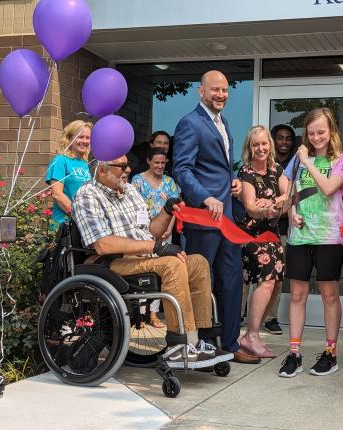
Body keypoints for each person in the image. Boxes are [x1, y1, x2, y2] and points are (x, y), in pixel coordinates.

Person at [72, 153, 233, 368]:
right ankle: (179, 345)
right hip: (110, 262)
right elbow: (103, 244)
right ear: (102, 170)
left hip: (143, 258)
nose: (128, 170)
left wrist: (167, 211)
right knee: (172, 263)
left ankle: (200, 339)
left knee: (198, 263)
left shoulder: (130, 191)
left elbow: (150, 232)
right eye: (122, 166)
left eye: (128, 164)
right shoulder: (87, 195)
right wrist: (157, 248)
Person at [173, 70, 259, 364]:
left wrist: (233, 181)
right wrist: (205, 197)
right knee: (201, 283)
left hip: (226, 220)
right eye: (215, 90)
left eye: (224, 90)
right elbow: (182, 170)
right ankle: (204, 345)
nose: (221, 95)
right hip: (203, 218)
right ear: (201, 92)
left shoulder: (224, 123)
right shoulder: (190, 123)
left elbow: (219, 168)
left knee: (232, 280)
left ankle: (231, 343)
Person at [278, 108, 343, 378]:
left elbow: (329, 188)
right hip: (300, 237)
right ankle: (294, 353)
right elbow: (286, 187)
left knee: (329, 295)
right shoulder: (297, 162)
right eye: (311, 133)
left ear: (331, 132)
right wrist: (291, 211)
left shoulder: (342, 160)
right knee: (297, 295)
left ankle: (330, 353)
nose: (316, 137)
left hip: (329, 236)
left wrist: (308, 162)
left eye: (321, 132)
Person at [237, 125, 287, 357]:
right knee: (266, 281)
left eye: (264, 143)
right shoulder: (246, 173)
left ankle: (252, 333)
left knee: (276, 283)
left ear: (270, 145)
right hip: (253, 235)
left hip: (272, 234)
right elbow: (249, 207)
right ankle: (252, 335)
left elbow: (289, 194)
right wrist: (262, 210)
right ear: (249, 147)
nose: (260, 148)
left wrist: (274, 202)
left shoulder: (277, 170)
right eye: (255, 144)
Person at [131, 147, 182, 328]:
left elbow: (175, 208)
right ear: (148, 162)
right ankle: (141, 314)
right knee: (143, 271)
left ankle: (153, 313)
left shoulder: (170, 182)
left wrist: (169, 228)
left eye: (163, 163)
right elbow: (133, 207)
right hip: (142, 233)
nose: (160, 166)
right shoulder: (137, 181)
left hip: (164, 233)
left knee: (159, 273)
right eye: (156, 163)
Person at [263, 124, 298, 335]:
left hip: (283, 229)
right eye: (280, 138)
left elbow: (294, 198)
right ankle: (240, 315)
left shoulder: (295, 166)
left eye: (288, 138)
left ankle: (270, 317)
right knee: (248, 274)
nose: (284, 142)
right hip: (256, 228)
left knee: (276, 274)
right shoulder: (264, 164)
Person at [46, 120, 93, 232]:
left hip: (81, 225)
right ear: (69, 138)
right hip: (63, 224)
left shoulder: (84, 164)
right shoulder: (60, 161)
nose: (85, 141)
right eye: (80, 137)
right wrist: (80, 216)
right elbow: (57, 194)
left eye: (88, 138)